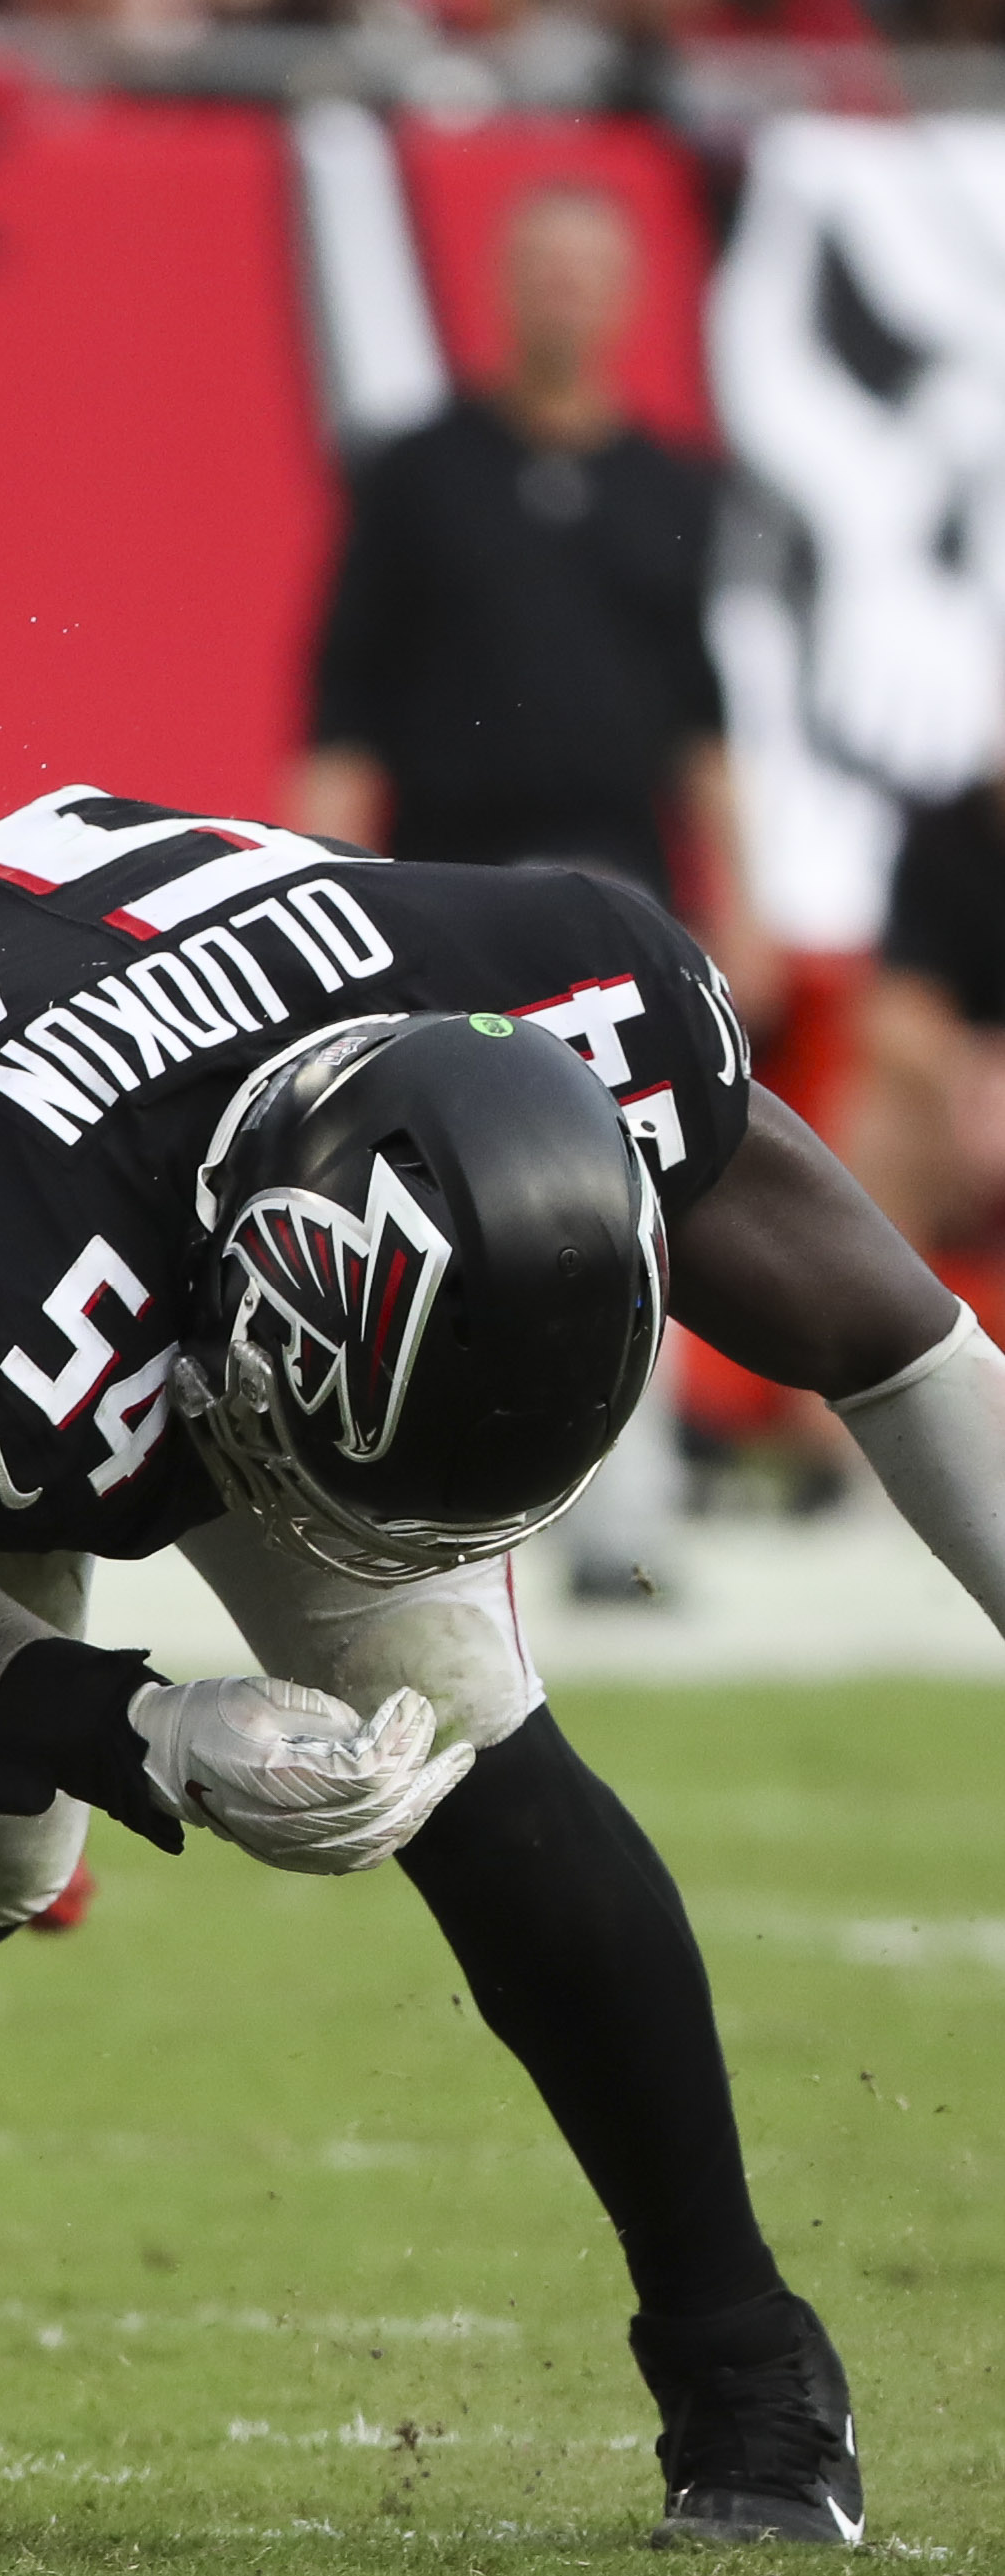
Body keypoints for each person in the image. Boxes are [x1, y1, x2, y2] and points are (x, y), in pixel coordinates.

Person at [0, 778, 1005, 2549]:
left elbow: (894, 1343)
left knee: (471, 1736)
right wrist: (142, 1725)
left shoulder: (586, 995)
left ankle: (740, 2369)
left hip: (205, 1110)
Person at [295, 183, 773, 1597]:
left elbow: (702, 718)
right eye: (540, 267)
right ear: (503, 285)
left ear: (621, 298)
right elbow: (342, 701)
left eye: (587, 270)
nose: (562, 294)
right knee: (431, 1178)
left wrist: (731, 894)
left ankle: (629, 1518)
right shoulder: (418, 471)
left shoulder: (668, 486)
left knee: (638, 1178)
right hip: (440, 883)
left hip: (605, 889)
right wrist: (321, 880)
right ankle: (413, 1494)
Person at [847, 768, 1005, 1295]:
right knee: (885, 1128)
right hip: (961, 1114)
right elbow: (898, 1011)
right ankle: (841, 1358)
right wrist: (971, 1079)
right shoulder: (947, 837)